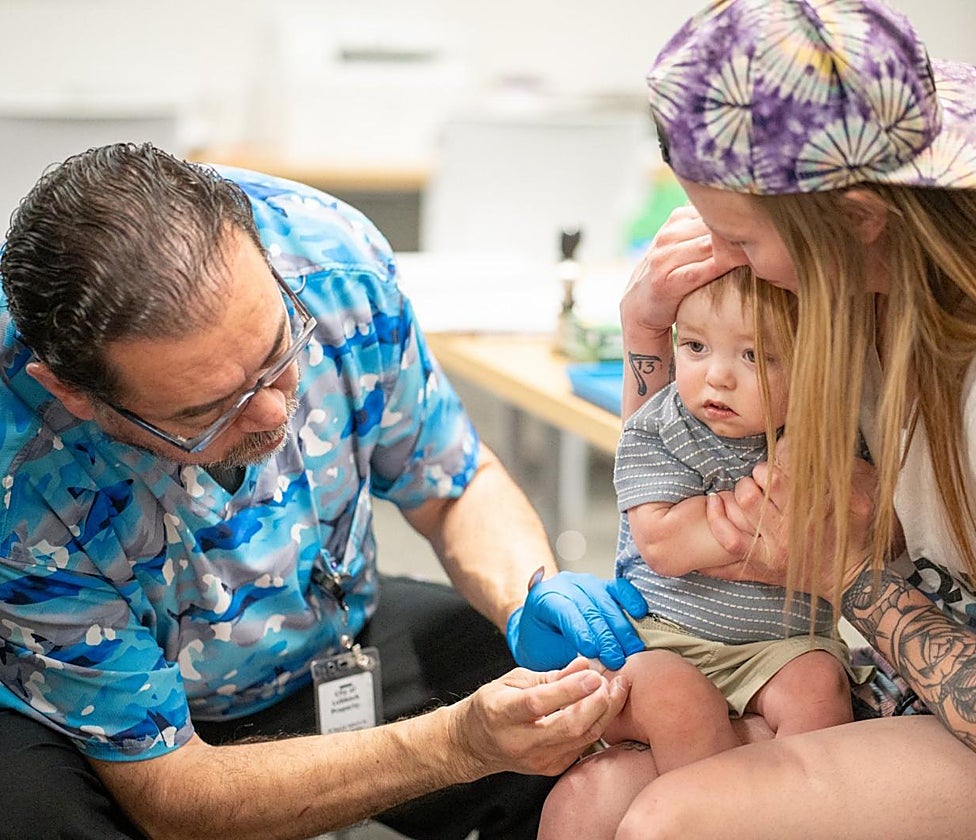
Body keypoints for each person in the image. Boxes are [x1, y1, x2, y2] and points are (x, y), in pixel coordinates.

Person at [0, 142, 640, 840]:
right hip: (105, 721)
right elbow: (173, 795)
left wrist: (528, 599)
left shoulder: (331, 260)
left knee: (584, 720)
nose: (275, 413)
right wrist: (456, 746)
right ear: (75, 395)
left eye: (279, 351)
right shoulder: (18, 466)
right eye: (207, 412)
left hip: (329, 632)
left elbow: (453, 487)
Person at [536, 1, 976, 837]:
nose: (723, 262)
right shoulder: (852, 301)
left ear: (857, 220)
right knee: (589, 803)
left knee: (671, 821)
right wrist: (647, 330)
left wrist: (845, 570)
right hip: (905, 685)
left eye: (740, 241)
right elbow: (676, 475)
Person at [601, 264, 869, 775]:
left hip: (782, 647)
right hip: (663, 638)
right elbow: (663, 544)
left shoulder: (831, 436)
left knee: (819, 689)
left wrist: (722, 518)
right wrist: (780, 509)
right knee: (678, 702)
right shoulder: (658, 426)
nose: (717, 376)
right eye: (695, 346)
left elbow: (856, 529)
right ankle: (703, 810)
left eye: (755, 355)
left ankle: (795, 810)